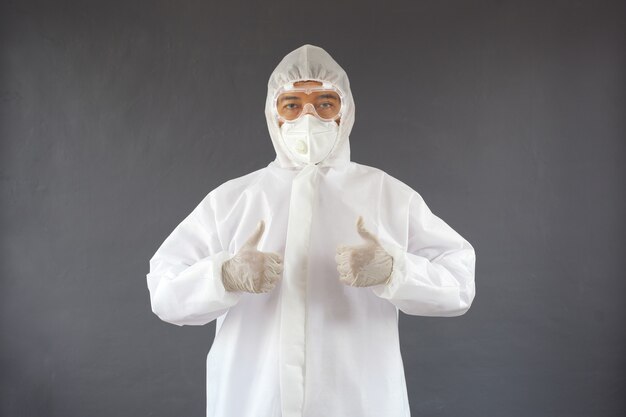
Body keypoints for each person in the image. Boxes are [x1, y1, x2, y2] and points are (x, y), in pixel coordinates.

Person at [146, 44, 476, 417]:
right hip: (254, 401)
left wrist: (395, 269)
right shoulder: (232, 200)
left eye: (324, 103)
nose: (308, 116)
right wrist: (223, 275)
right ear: (275, 114)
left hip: (357, 401)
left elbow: (460, 282)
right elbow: (163, 290)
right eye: (292, 104)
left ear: (344, 111)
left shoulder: (386, 195)